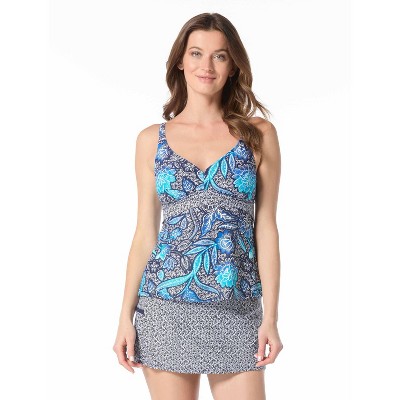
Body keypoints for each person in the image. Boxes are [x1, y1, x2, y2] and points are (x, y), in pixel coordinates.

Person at [113, 12, 283, 400]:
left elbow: (267, 228)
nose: (206, 66)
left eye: (219, 56)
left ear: (233, 66)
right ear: (180, 61)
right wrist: (124, 316)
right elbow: (145, 234)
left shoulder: (258, 135)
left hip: (237, 309)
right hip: (164, 309)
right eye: (196, 53)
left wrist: (271, 316)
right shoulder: (150, 140)